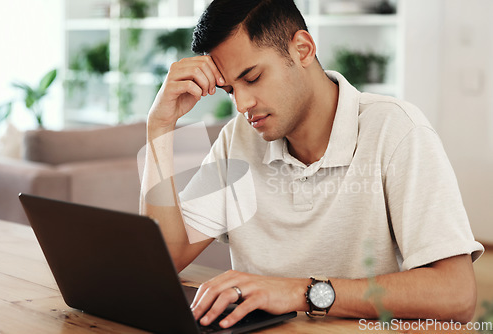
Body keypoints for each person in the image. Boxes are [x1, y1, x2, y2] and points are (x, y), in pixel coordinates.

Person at [141, 0, 484, 329]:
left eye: (253, 77)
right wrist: (159, 125)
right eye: (230, 90)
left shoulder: (397, 131)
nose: (243, 104)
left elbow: (457, 295)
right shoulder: (238, 139)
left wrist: (300, 293)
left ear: (302, 49)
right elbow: (162, 261)